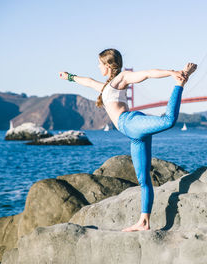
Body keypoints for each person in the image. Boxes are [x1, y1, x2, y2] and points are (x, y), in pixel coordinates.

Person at [59, 48, 197, 232]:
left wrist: (173, 73)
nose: (97, 66)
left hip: (131, 123)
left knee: (168, 121)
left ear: (108, 65)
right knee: (144, 180)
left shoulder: (120, 78)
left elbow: (147, 74)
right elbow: (87, 81)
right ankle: (144, 222)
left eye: (100, 64)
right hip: (135, 135)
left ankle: (179, 85)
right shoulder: (106, 87)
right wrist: (69, 76)